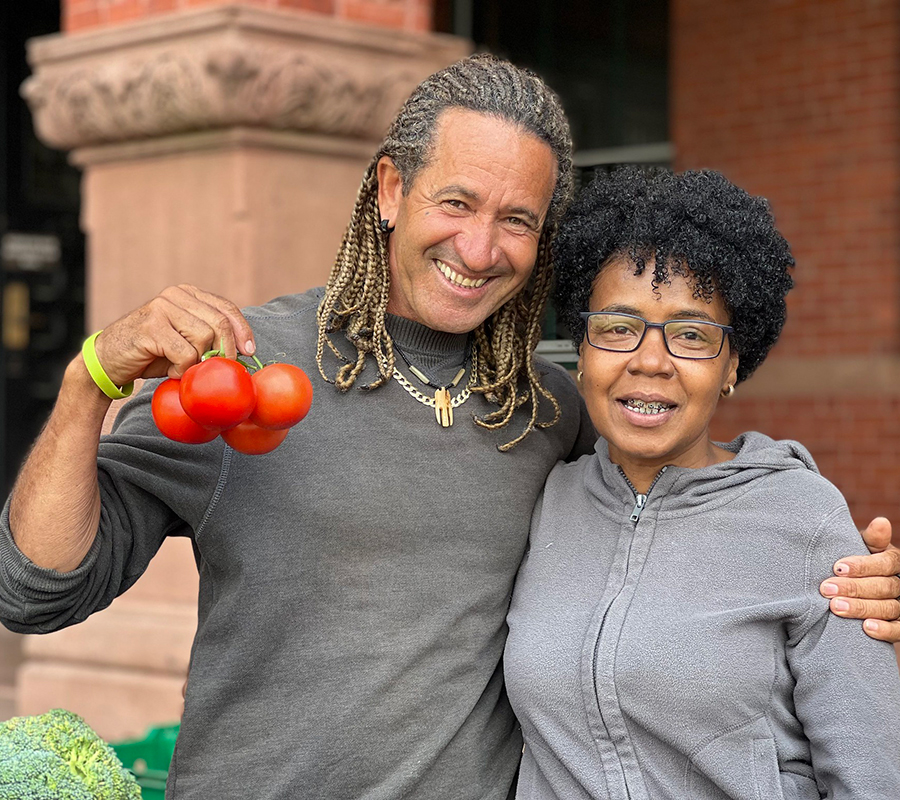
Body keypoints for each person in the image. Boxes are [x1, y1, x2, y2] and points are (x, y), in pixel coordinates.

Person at [0, 55, 897, 800]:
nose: (479, 249)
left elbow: (684, 492)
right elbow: (35, 591)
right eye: (457, 203)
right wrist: (90, 380)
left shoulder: (552, 414)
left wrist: (854, 577)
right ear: (391, 187)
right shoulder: (244, 369)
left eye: (517, 221)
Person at [504, 167, 900, 799]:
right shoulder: (545, 499)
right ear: (580, 348)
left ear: (732, 366)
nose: (651, 360)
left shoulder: (803, 518)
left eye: (691, 334)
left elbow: (873, 778)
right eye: (617, 325)